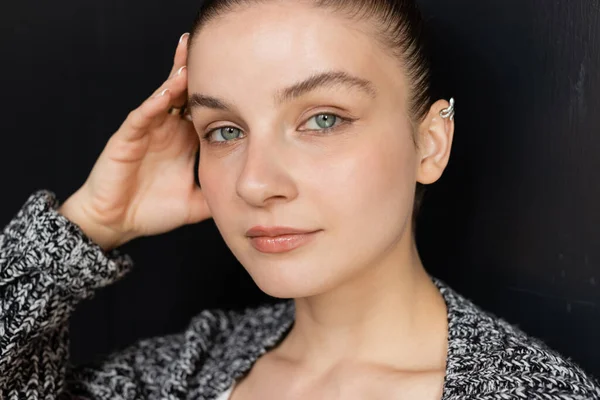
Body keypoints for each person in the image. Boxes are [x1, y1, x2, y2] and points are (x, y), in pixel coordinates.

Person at [1, 0, 599, 399]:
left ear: (430, 144)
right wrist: (91, 223)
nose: (255, 183)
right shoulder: (183, 372)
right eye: (224, 131)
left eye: (322, 119)